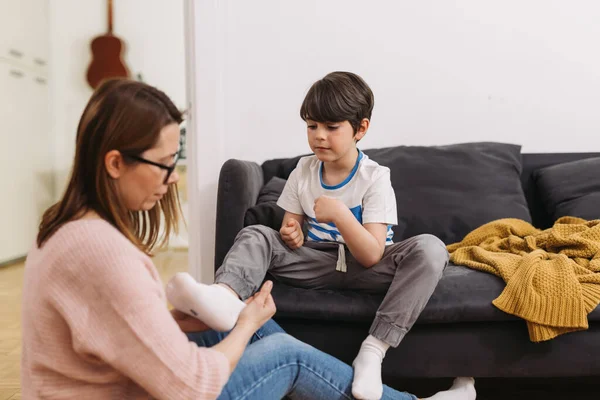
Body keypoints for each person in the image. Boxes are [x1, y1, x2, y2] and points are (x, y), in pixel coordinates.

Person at [20, 78, 475, 400]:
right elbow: (191, 387)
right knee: (280, 348)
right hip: (156, 386)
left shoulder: (66, 232)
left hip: (363, 262)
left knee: (269, 331)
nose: (172, 180)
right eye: (164, 164)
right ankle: (227, 296)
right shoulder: (104, 252)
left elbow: (108, 328)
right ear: (116, 163)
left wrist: (173, 323)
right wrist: (245, 321)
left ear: (360, 128)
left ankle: (375, 358)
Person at [166, 72, 475, 400]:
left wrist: (341, 214)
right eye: (312, 126)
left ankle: (374, 348)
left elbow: (371, 254)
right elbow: (290, 228)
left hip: (369, 268)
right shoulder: (303, 170)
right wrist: (292, 233)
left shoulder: (375, 177)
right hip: (317, 261)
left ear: (361, 129)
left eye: (331, 127)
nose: (319, 137)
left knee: (431, 248)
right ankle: (225, 296)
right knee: (258, 234)